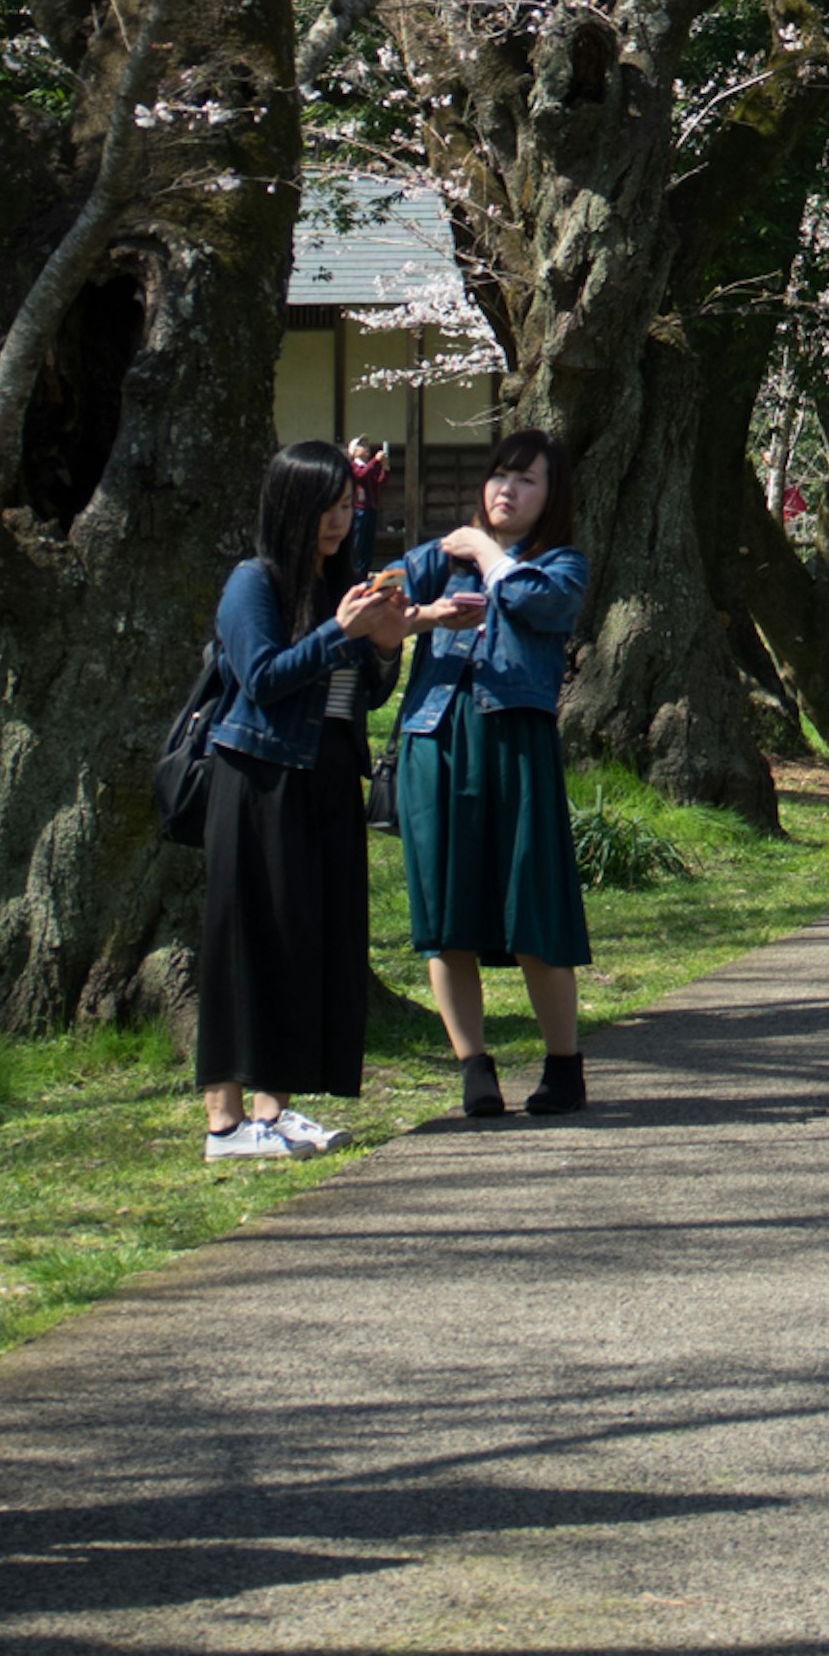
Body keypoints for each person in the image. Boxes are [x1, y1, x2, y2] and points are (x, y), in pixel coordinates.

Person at [359, 433, 592, 1124]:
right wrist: (419, 615)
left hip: (516, 739)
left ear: (551, 497)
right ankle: (474, 1067)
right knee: (445, 912)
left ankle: (563, 1066)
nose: (506, 491)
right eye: (499, 476)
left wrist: (488, 554)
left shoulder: (561, 565)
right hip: (435, 737)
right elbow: (377, 601)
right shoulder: (440, 559)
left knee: (534, 906)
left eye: (526, 481)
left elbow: (536, 604)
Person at [196, 449, 392, 1165]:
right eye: (327, 506)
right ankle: (223, 1122)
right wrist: (338, 632)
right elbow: (264, 678)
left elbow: (356, 695)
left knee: (307, 938)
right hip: (260, 779)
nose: (340, 521)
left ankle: (274, 1112)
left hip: (327, 777)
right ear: (290, 506)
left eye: (348, 506)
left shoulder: (335, 580)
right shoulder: (255, 582)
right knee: (246, 941)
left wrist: (386, 647)